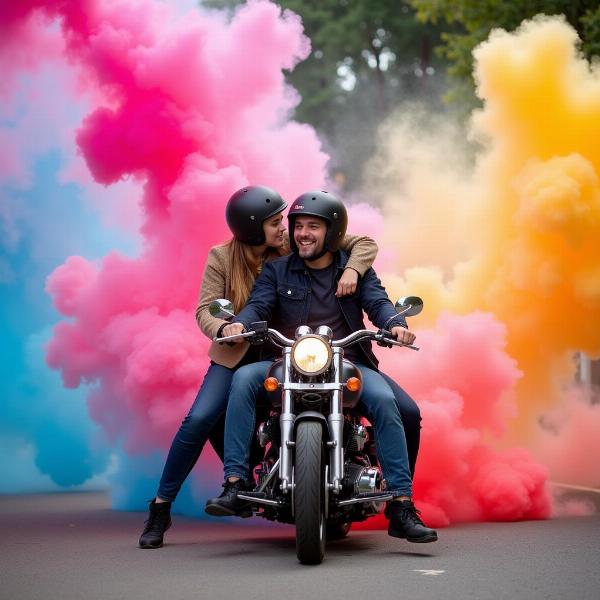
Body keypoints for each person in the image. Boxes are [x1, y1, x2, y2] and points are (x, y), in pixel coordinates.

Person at [138, 185, 382, 548]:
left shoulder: (290, 247)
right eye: (274, 223)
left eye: (283, 220)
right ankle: (163, 506)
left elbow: (362, 243)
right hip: (237, 352)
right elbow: (205, 309)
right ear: (252, 228)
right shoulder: (221, 257)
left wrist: (355, 271)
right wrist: (225, 327)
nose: (285, 228)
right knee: (201, 418)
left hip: (284, 352)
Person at [205, 190, 437, 544]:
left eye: (313, 226)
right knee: (243, 380)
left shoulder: (354, 271)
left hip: (349, 361)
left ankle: (401, 506)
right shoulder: (277, 269)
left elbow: (378, 302)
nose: (302, 234)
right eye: (298, 226)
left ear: (331, 232)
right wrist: (240, 323)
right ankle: (236, 483)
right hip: (286, 360)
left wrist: (394, 324)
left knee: (399, 408)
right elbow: (259, 305)